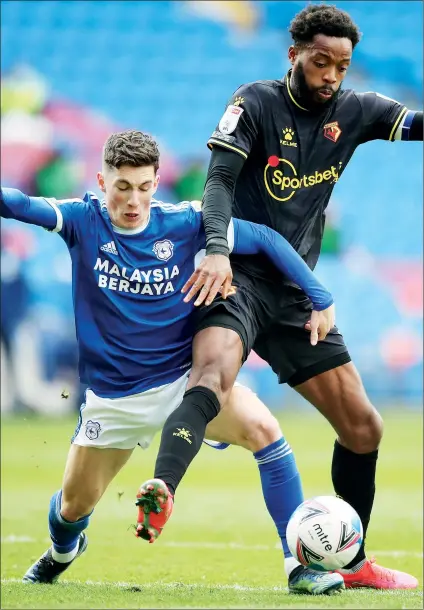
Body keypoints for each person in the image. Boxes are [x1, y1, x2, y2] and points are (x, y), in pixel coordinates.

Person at [139, 4, 422, 590]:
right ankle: (163, 486)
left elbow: (416, 125)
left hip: (295, 292)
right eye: (321, 62)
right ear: (293, 54)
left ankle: (352, 560)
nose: (331, 76)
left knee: (364, 427)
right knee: (211, 379)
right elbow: (217, 181)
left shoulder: (358, 110)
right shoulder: (255, 102)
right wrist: (216, 248)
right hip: (234, 275)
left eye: (342, 65)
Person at [1, 130, 344, 594]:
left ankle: (297, 566)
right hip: (114, 402)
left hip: (183, 383)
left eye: (144, 187)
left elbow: (262, 236)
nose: (133, 200)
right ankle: (63, 550)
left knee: (266, 432)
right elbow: (19, 204)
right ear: (102, 181)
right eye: (122, 187)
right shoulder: (82, 220)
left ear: (157, 182)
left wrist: (320, 296)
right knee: (72, 509)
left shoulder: (184, 222)